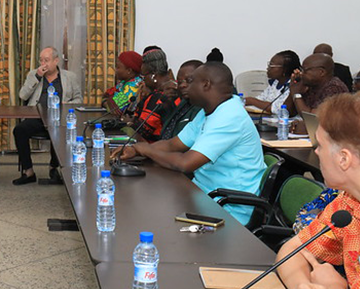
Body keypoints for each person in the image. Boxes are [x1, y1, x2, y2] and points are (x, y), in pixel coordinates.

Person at [113, 62, 265, 225]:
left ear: (206, 85)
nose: (183, 87)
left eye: (191, 82)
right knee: (147, 206)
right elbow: (173, 145)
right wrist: (136, 150)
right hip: (204, 194)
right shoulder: (209, 111)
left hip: (230, 208)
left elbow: (185, 164)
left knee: (149, 217)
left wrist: (146, 150)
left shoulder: (229, 116)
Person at [276, 93, 360, 289]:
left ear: (343, 159)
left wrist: (331, 285)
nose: (316, 153)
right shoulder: (349, 202)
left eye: (320, 145)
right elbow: (291, 252)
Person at [12, 47, 82, 185]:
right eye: (41, 60)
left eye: (47, 60)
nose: (43, 63)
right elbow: (23, 95)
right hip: (37, 116)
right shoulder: (34, 74)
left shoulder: (70, 77)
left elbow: (79, 99)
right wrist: (37, 77)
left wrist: (66, 104)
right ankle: (28, 171)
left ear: (56, 61)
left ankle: (54, 167)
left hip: (60, 117)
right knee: (19, 130)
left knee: (62, 133)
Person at [129, 49, 179, 143]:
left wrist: (128, 124)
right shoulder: (176, 87)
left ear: (153, 76)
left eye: (143, 76)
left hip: (156, 149)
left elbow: (142, 131)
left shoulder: (157, 97)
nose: (142, 81)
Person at [284, 53, 348, 117]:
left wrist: (297, 94)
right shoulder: (311, 85)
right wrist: (293, 90)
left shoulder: (334, 88)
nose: (301, 73)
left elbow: (312, 118)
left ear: (321, 72)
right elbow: (286, 113)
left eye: (305, 70)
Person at [245, 50, 301, 115]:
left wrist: (252, 101)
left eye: (271, 66)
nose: (268, 68)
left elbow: (279, 108)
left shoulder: (292, 85)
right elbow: (262, 98)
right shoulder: (275, 82)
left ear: (284, 70)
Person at [160, 60, 204, 140]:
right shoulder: (184, 102)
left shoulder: (202, 108)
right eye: (180, 82)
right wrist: (168, 104)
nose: (182, 85)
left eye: (189, 80)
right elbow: (169, 130)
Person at [102, 50, 142, 116]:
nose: (115, 70)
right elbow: (106, 96)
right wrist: (107, 100)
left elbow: (113, 109)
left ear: (129, 70)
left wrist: (107, 101)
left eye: (118, 67)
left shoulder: (133, 86)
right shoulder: (123, 82)